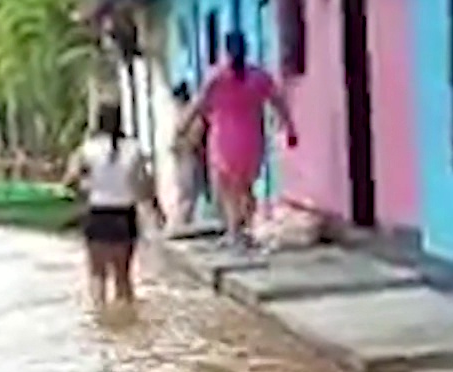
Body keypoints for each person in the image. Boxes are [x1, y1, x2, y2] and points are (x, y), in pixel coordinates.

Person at [180, 30, 297, 250]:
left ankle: (235, 232)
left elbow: (198, 104)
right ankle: (245, 230)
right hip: (251, 138)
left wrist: (182, 127)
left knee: (227, 189)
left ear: (226, 50)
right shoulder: (259, 77)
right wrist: (290, 129)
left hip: (224, 139)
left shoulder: (216, 77)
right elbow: (278, 102)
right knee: (246, 187)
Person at [63, 101, 163, 308]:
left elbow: (69, 181)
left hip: (98, 214)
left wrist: (87, 189)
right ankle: (125, 323)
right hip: (124, 216)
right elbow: (145, 186)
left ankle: (101, 321)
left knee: (97, 275)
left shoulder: (87, 149)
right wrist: (157, 211)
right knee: (123, 277)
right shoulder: (134, 149)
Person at [169, 82, 206, 227]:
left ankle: (182, 223)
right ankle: (183, 223)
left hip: (189, 156)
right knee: (186, 192)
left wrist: (182, 145)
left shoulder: (190, 114)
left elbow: (195, 135)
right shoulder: (183, 113)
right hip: (185, 156)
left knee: (188, 192)